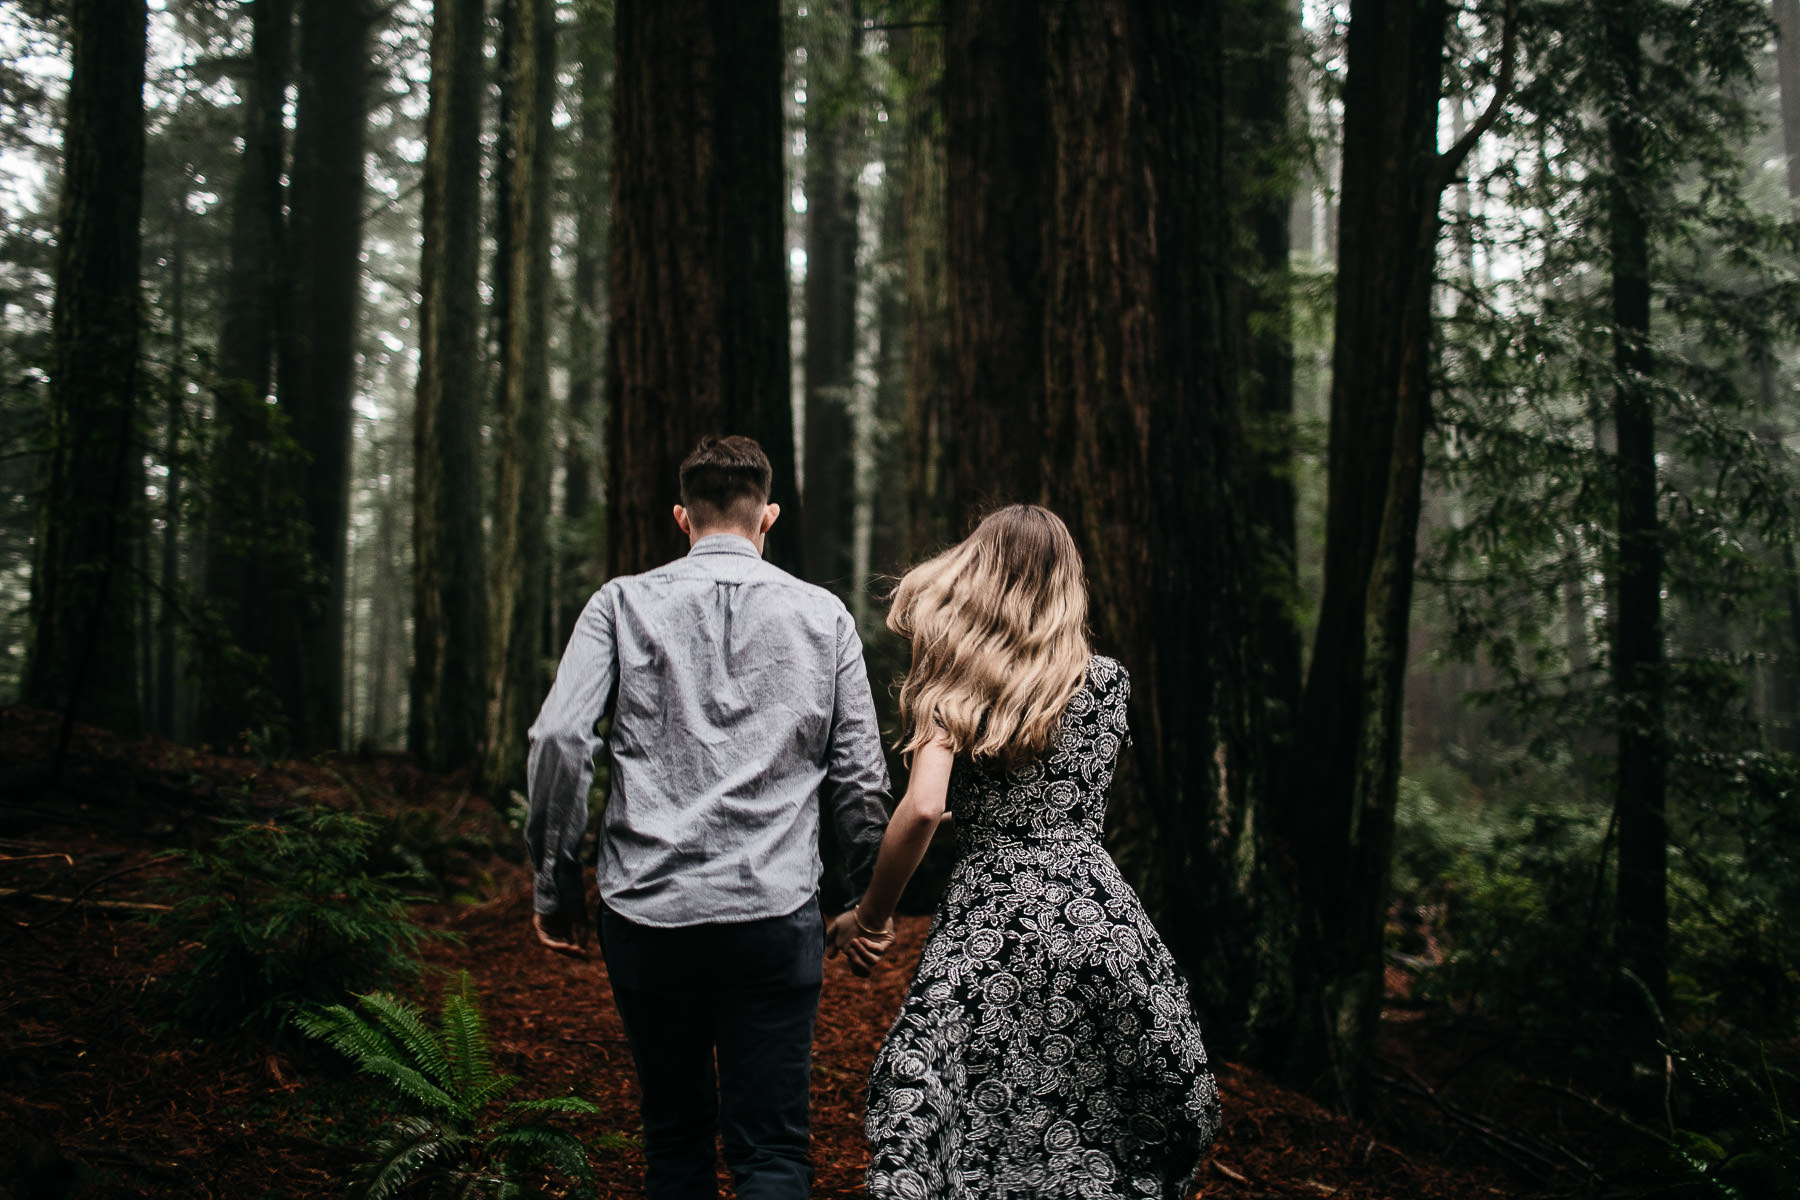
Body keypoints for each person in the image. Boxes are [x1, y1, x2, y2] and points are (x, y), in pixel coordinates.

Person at [524, 434, 892, 1200]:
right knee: (775, 1152)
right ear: (769, 518)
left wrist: (554, 884)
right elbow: (859, 775)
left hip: (648, 915)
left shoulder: (620, 604)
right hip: (773, 912)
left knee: (675, 1145)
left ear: (681, 517)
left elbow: (559, 739)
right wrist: (863, 896)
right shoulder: (824, 616)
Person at [830, 504, 1222, 1199]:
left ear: (975, 576)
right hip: (1094, 912)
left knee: (947, 1101)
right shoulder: (1108, 682)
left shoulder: (952, 680)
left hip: (993, 916)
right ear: (1068, 583)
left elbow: (922, 807)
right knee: (1091, 1110)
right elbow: (1048, 797)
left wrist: (871, 919)